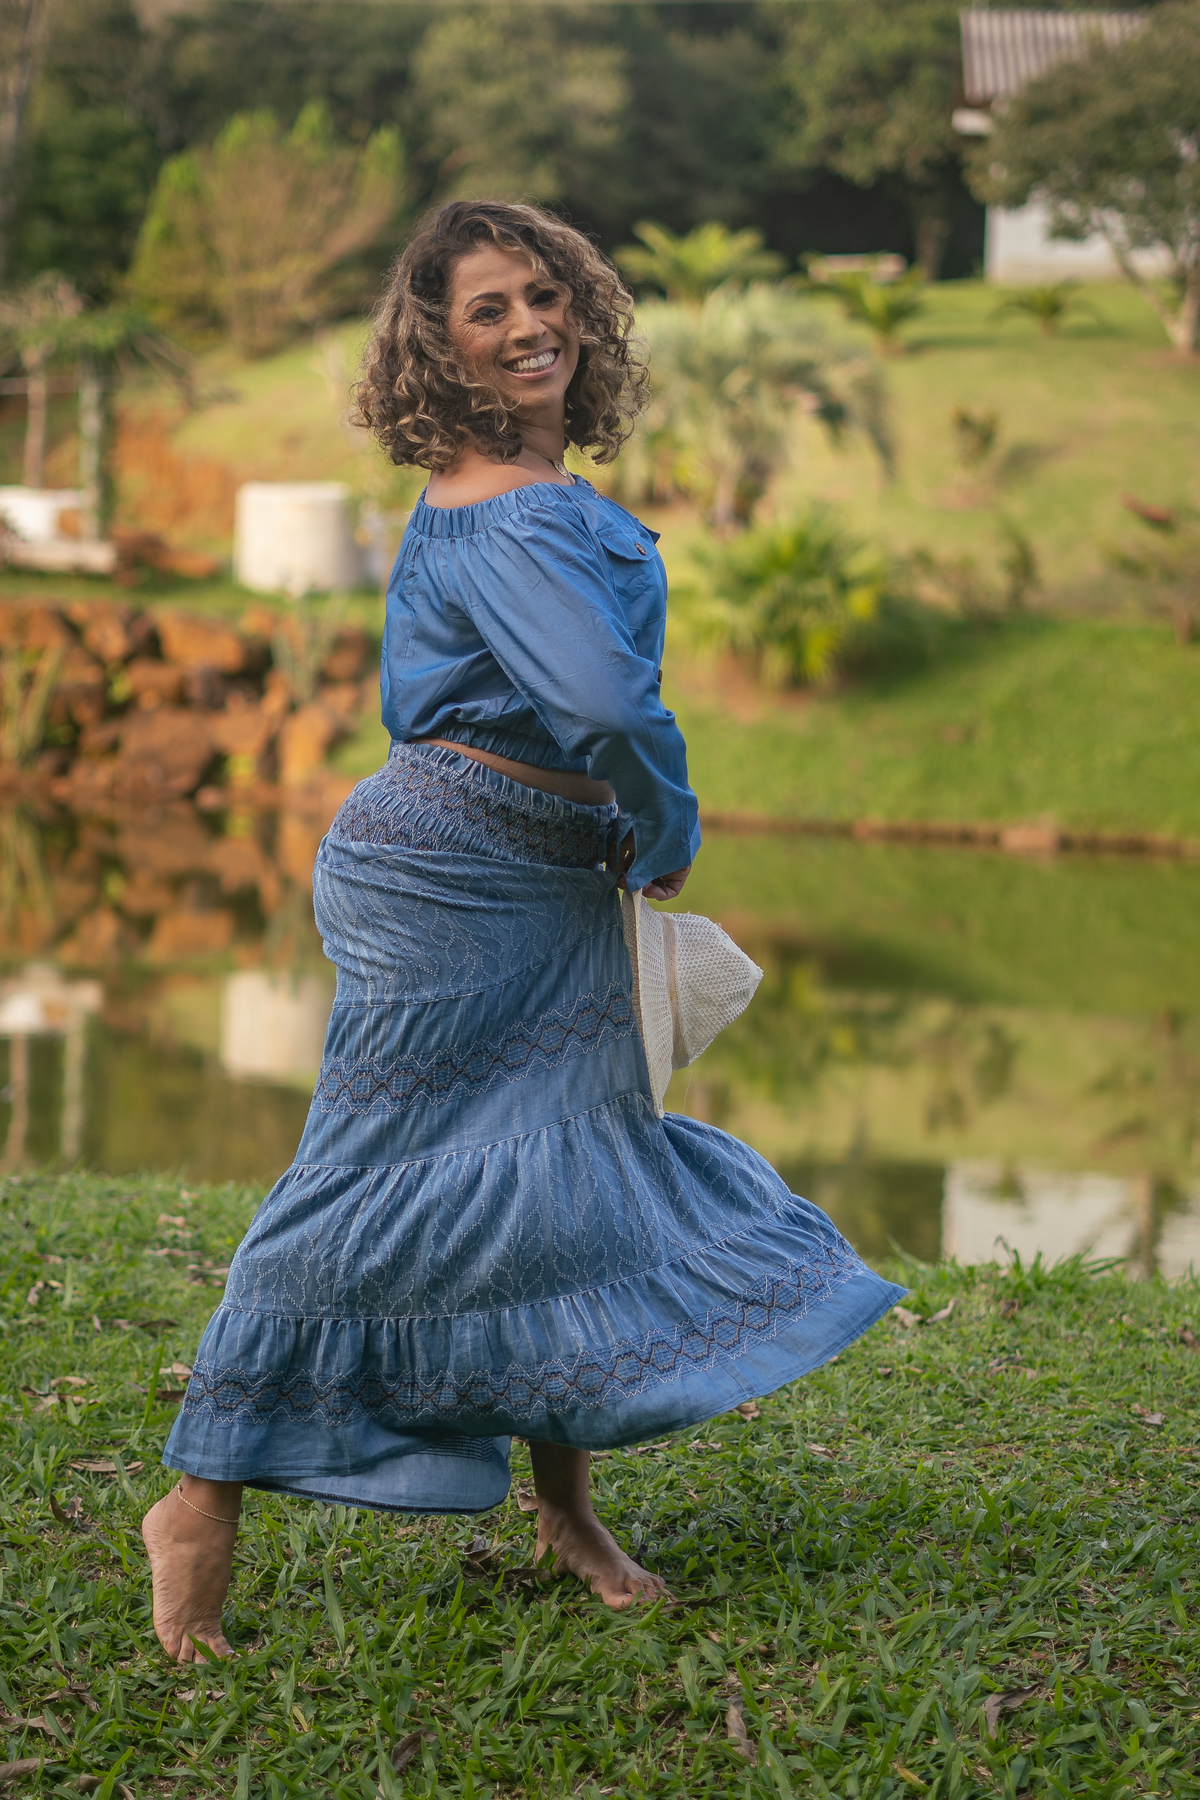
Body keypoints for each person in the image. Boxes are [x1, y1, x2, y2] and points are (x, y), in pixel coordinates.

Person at [142, 201, 903, 1660]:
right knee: (359, 1191)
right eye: (485, 309)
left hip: (545, 874)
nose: (528, 324)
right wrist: (668, 820)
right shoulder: (510, 506)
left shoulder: (506, 489)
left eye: (544, 294)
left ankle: (566, 1512)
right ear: (436, 345)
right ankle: (198, 1502)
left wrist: (613, 835)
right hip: (454, 880)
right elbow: (608, 709)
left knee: (572, 1172)